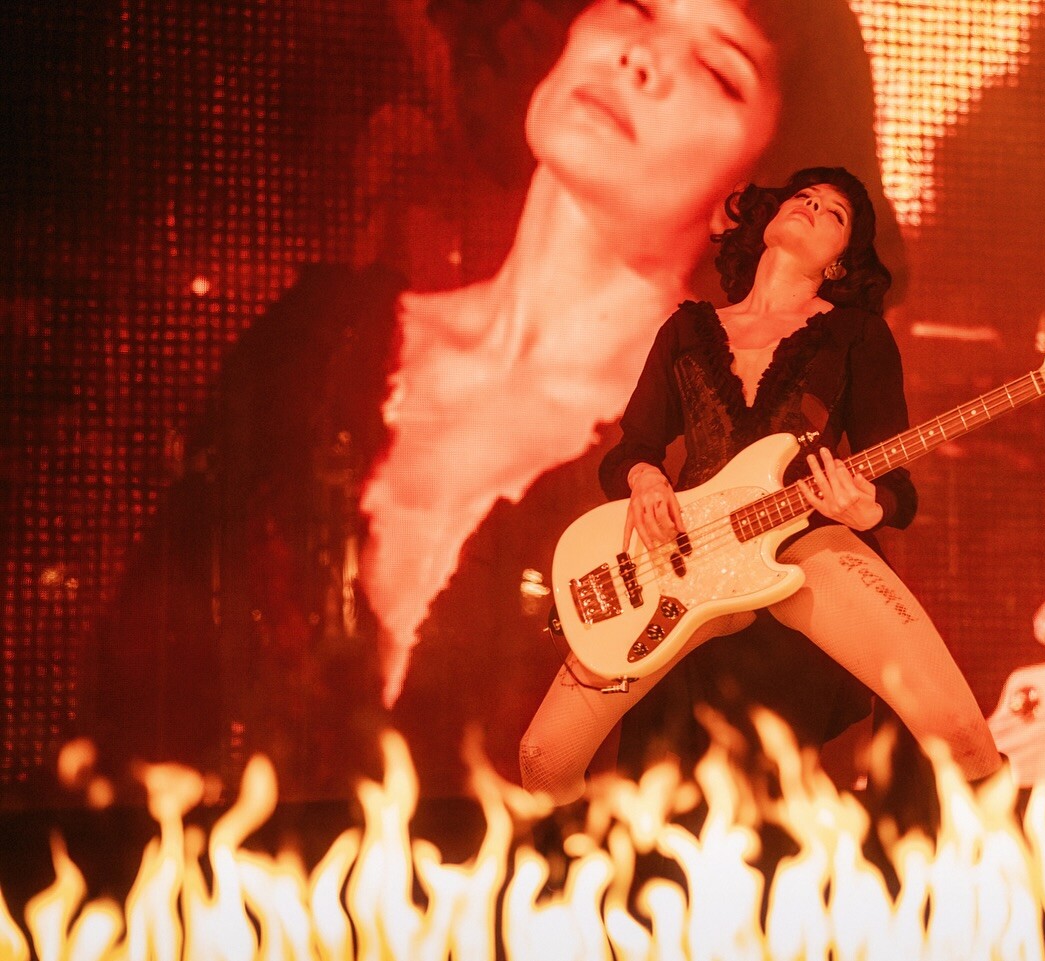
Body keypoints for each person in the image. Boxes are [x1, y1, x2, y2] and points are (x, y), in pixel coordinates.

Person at [94, 0, 899, 798]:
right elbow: (130, 694)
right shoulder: (315, 342)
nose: (641, 58)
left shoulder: (734, 460)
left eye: (718, 69)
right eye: (634, 6)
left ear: (761, 197)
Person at [519, 168, 1003, 804]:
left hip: (808, 540)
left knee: (961, 734)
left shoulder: (855, 334)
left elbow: (896, 488)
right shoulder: (687, 330)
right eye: (805, 197)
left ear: (839, 262)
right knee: (544, 758)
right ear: (768, 220)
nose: (813, 206)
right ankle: (586, 859)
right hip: (684, 554)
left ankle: (1013, 855)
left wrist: (866, 509)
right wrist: (645, 478)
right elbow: (630, 450)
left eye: (834, 213)